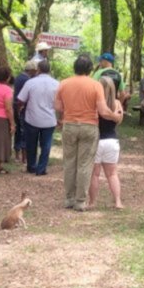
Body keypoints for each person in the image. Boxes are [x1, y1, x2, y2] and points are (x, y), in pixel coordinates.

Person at [55, 56, 121, 211]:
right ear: (90, 69)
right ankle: (80, 201)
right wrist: (115, 116)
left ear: (74, 68)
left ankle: (69, 198)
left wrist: (69, 112)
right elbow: (103, 111)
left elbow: (57, 106)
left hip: (70, 125)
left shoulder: (63, 84)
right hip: (89, 126)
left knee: (69, 162)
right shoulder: (95, 85)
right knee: (84, 164)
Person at [88, 77, 125, 209]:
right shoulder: (117, 103)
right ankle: (118, 201)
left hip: (96, 141)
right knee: (112, 174)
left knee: (95, 174)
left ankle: (92, 202)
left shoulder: (94, 103)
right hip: (112, 140)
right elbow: (119, 121)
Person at [17, 60, 59, 175]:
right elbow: (60, 103)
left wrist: (20, 108)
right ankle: (41, 169)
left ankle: (31, 166)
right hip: (49, 120)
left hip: (32, 118)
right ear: (49, 70)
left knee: (31, 144)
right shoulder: (56, 84)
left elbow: (20, 99)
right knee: (46, 145)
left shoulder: (31, 83)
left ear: (38, 69)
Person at [12, 60, 39, 164]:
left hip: (16, 106)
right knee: (24, 132)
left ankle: (17, 155)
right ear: (32, 70)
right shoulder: (27, 80)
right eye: (35, 71)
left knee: (18, 131)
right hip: (23, 107)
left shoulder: (19, 77)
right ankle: (24, 157)